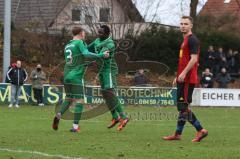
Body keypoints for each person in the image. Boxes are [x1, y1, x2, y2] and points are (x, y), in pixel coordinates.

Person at [52, 27, 109, 132]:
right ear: (80, 33)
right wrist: (101, 55)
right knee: (80, 101)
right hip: (76, 76)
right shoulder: (79, 43)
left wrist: (86, 62)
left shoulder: (68, 45)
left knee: (69, 98)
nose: (85, 34)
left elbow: (76, 59)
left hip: (66, 75)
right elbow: (86, 54)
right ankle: (75, 127)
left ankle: (59, 114)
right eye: (84, 32)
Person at [162, 16, 208, 142]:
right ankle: (177, 134)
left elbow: (194, 59)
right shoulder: (185, 40)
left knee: (183, 107)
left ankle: (200, 130)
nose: (183, 26)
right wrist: (177, 76)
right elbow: (184, 61)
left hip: (188, 79)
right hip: (183, 78)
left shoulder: (192, 40)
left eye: (186, 24)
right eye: (181, 23)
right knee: (182, 107)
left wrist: (183, 74)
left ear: (191, 25)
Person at [88, 25, 129, 131]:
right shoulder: (97, 41)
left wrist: (96, 55)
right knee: (105, 94)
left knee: (110, 92)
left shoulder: (110, 44)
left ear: (107, 34)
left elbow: (102, 54)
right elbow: (87, 49)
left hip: (109, 70)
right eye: (98, 32)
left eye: (101, 33)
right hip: (101, 70)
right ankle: (115, 117)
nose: (99, 34)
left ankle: (123, 117)